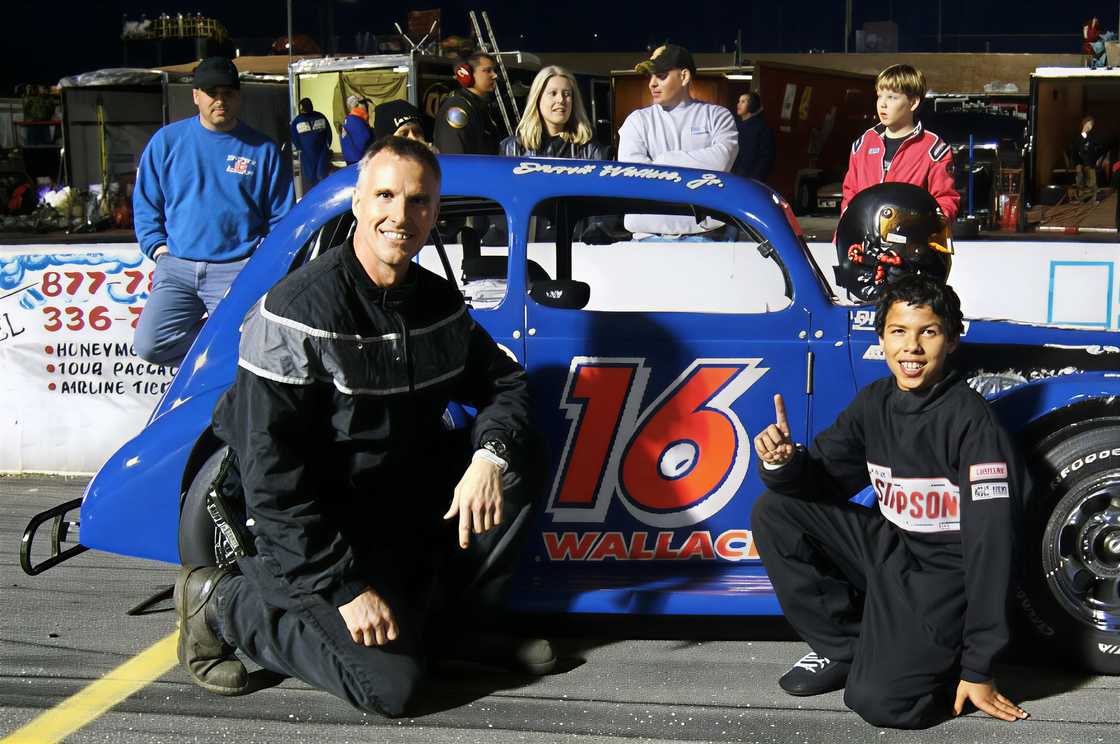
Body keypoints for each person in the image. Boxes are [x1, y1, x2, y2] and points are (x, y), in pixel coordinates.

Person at [173, 136, 555, 713]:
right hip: (296, 524)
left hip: (385, 502)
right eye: (385, 196)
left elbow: (506, 386)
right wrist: (344, 588)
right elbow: (270, 478)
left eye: (419, 201)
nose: (401, 216)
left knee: (517, 456)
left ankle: (458, 627)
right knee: (391, 688)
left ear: (434, 212)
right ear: (357, 204)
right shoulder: (298, 310)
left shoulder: (437, 304)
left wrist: (489, 457)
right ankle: (222, 603)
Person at [751, 274, 1030, 729]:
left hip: (944, 579)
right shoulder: (875, 402)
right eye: (899, 331)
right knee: (775, 510)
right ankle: (850, 649)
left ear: (953, 341)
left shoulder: (973, 424)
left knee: (879, 703)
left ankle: (937, 671)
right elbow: (819, 482)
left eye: (929, 332)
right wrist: (783, 465)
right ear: (881, 339)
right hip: (890, 552)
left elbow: (992, 549)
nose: (912, 347)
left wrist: (979, 666)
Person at [132, 56, 294, 367]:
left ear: (239, 96)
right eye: (211, 93)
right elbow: (146, 203)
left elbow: (281, 219)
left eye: (228, 93)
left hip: (237, 270)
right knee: (150, 344)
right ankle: (218, 348)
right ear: (195, 96)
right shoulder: (166, 142)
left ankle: (221, 403)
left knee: (253, 346)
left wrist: (261, 262)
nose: (220, 100)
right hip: (176, 268)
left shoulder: (263, 150)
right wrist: (158, 249)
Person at [617, 44, 738, 237]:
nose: (652, 84)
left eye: (661, 75)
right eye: (650, 76)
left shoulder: (717, 116)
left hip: (705, 240)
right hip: (646, 240)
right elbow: (636, 178)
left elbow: (720, 162)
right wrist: (695, 176)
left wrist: (662, 162)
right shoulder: (636, 121)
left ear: (684, 76)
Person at [841, 64, 959, 222]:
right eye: (879, 96)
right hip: (865, 242)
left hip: (910, 243)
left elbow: (945, 202)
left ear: (913, 103)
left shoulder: (935, 150)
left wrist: (924, 228)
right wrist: (846, 236)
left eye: (891, 97)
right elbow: (850, 197)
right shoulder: (863, 145)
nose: (882, 104)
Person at [499, 65, 609, 159]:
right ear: (537, 99)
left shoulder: (590, 149)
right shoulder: (511, 148)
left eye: (567, 94)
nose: (561, 100)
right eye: (553, 93)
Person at [434, 51, 502, 155]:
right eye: (488, 71)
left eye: (494, 70)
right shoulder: (457, 108)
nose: (495, 75)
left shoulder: (479, 105)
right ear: (466, 74)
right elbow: (455, 158)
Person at [731, 91, 775, 182]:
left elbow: (766, 157)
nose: (738, 104)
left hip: (751, 177)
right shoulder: (734, 124)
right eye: (739, 101)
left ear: (752, 105)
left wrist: (756, 178)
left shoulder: (762, 127)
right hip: (733, 174)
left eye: (743, 102)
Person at [290, 97, 332, 191]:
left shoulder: (320, 116)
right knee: (310, 177)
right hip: (306, 154)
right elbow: (294, 137)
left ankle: (323, 194)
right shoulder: (297, 121)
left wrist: (327, 145)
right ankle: (315, 196)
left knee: (321, 175)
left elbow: (328, 132)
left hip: (321, 152)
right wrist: (300, 149)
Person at [340, 95, 372, 165]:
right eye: (363, 103)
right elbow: (366, 140)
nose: (366, 106)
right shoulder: (355, 121)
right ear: (356, 106)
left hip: (352, 159)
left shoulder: (349, 119)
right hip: (358, 161)